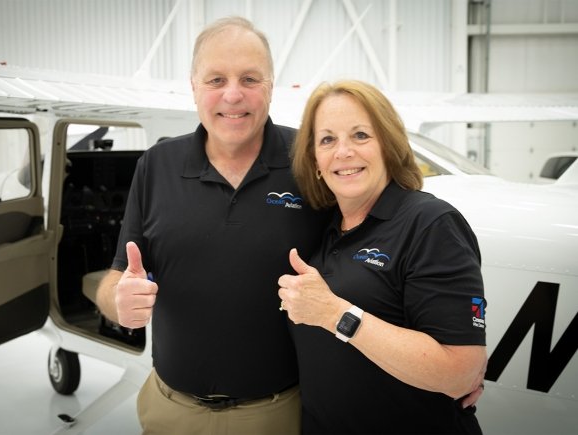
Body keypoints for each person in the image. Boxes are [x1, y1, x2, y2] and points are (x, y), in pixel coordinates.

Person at [94, 16, 329, 435]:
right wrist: (119, 302)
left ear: (271, 86)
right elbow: (114, 279)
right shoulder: (156, 165)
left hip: (278, 412)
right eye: (216, 79)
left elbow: (373, 246)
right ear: (194, 87)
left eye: (250, 79)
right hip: (170, 410)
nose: (233, 94)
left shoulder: (309, 160)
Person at [277, 80, 487, 434]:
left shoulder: (430, 224)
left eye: (360, 135)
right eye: (327, 139)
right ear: (315, 160)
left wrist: (335, 314)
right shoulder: (320, 228)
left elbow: (460, 373)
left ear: (388, 145)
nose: (343, 152)